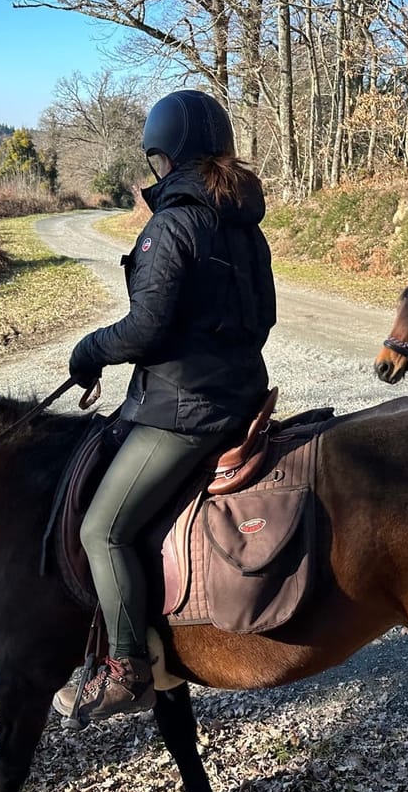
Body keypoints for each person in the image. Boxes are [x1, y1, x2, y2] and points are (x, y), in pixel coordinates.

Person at [53, 89, 276, 727]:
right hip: (243, 397)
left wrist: (89, 350)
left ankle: (126, 671)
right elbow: (265, 320)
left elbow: (145, 329)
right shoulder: (245, 225)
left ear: (164, 153)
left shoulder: (173, 223)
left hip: (185, 412)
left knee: (103, 528)